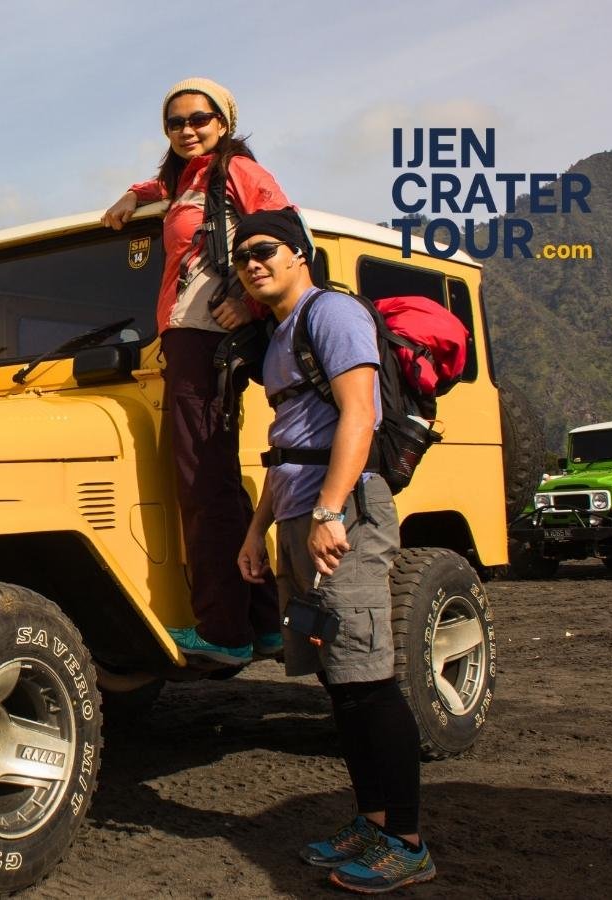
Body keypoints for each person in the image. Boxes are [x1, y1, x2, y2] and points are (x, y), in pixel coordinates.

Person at [232, 209, 435, 893]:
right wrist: (258, 529)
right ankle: (373, 822)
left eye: (264, 250)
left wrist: (328, 511)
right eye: (241, 257)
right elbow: (285, 443)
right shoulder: (279, 334)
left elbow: (360, 412)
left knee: (369, 681)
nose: (252, 263)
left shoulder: (332, 313)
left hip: (340, 511)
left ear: (299, 254)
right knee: (338, 679)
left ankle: (406, 842)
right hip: (298, 513)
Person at [101, 77, 288, 665]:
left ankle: (223, 631)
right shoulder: (186, 181)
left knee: (200, 481)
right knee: (218, 481)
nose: (188, 129)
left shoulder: (240, 173)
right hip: (183, 335)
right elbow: (166, 191)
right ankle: (262, 623)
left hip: (205, 336)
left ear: (224, 120)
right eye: (176, 122)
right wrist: (137, 193)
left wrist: (252, 303)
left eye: (199, 119)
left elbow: (287, 236)